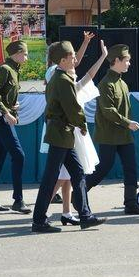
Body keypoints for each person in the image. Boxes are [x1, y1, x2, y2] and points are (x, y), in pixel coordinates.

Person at [31, 41, 106, 233]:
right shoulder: (62, 79)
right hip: (61, 133)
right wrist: (81, 124)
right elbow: (71, 107)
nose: (75, 58)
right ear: (63, 60)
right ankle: (39, 220)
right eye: (72, 56)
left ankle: (85, 216)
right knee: (51, 178)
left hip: (62, 133)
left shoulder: (59, 76)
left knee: (77, 173)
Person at [84, 44, 139, 215]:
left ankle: (131, 203)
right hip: (108, 134)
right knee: (104, 167)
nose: (129, 64)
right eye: (126, 61)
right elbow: (108, 111)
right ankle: (79, 194)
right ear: (116, 61)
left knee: (131, 168)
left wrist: (126, 125)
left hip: (124, 134)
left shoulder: (122, 83)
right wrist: (128, 122)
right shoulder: (106, 84)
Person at [0, 40, 31, 214]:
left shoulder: (14, 70)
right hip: (1, 119)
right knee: (19, 155)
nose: (26, 56)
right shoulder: (5, 69)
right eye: (24, 53)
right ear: (16, 54)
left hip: (3, 117)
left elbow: (2, 94)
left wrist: (12, 105)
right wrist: (5, 113)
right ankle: (18, 200)